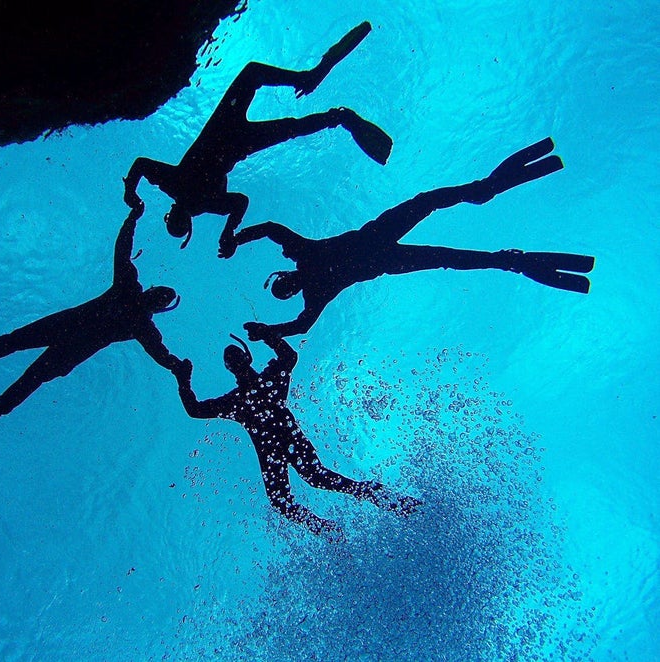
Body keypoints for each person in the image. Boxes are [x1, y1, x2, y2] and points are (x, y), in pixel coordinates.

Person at [232, 137, 596, 339]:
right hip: (385, 257)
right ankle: (509, 255)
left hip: (379, 239)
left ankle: (489, 198)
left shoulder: (304, 257)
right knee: (446, 251)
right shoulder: (313, 281)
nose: (289, 285)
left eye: (283, 284)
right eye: (287, 289)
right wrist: (268, 331)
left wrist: (236, 237)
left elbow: (269, 230)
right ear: (291, 287)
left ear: (283, 277)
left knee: (431, 209)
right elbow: (301, 323)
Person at [0, 205, 184, 454]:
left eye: (164, 297)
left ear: (158, 305)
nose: (160, 295)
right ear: (153, 290)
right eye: (162, 292)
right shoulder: (132, 299)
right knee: (16, 353)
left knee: (28, 374)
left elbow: (161, 354)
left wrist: (177, 367)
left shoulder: (141, 320)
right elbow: (122, 251)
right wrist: (131, 220)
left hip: (67, 340)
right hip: (65, 333)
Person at [123, 19, 392, 258]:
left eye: (172, 221)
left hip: (225, 131)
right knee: (284, 118)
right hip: (234, 140)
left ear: (169, 214)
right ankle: (334, 112)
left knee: (268, 95)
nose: (177, 219)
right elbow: (239, 202)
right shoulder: (190, 195)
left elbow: (141, 165)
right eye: (179, 224)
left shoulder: (180, 188)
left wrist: (131, 192)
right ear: (187, 223)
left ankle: (323, 98)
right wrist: (228, 232)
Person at [171, 324, 420, 537]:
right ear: (240, 362)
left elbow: (196, 409)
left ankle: (344, 519)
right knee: (302, 487)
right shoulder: (263, 384)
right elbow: (289, 358)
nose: (236, 364)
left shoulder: (243, 397)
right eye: (233, 361)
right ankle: (336, 523)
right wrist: (268, 336)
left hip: (275, 445)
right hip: (282, 442)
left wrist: (183, 380)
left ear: (240, 362)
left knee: (306, 485)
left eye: (234, 360)